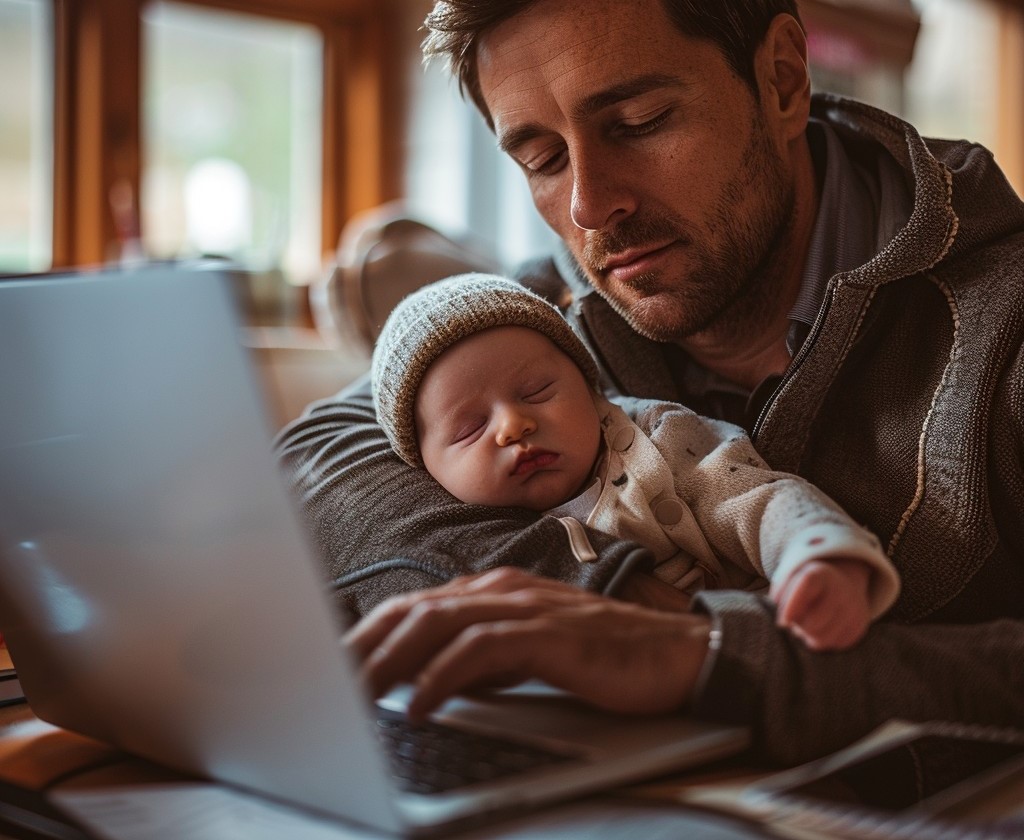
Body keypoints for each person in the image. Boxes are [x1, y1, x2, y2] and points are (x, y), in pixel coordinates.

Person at [276, 0, 1024, 766]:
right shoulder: (545, 314)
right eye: (542, 159)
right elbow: (317, 453)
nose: (590, 207)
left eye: (638, 121)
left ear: (783, 79)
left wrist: (711, 654)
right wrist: (599, 593)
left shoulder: (1008, 324)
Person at [371, 273, 898, 652]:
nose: (513, 426)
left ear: (589, 384)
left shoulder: (656, 439)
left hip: (744, 658)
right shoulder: (450, 523)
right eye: (469, 429)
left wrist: (815, 556)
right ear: (424, 467)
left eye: (538, 391)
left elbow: (756, 496)